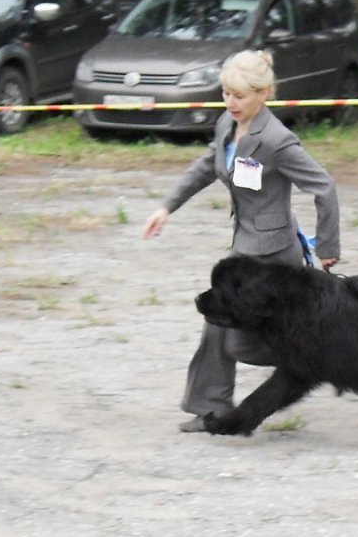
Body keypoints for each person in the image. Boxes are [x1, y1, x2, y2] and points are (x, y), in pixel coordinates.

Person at [142, 49, 340, 432]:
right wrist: (166, 207)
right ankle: (211, 406)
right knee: (218, 321)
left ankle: (322, 356)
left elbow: (324, 187)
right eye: (225, 94)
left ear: (263, 94)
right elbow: (206, 165)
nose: (230, 102)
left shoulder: (277, 141)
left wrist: (328, 248)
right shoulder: (227, 125)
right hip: (245, 248)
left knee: (239, 339)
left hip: (272, 255)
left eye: (240, 95)